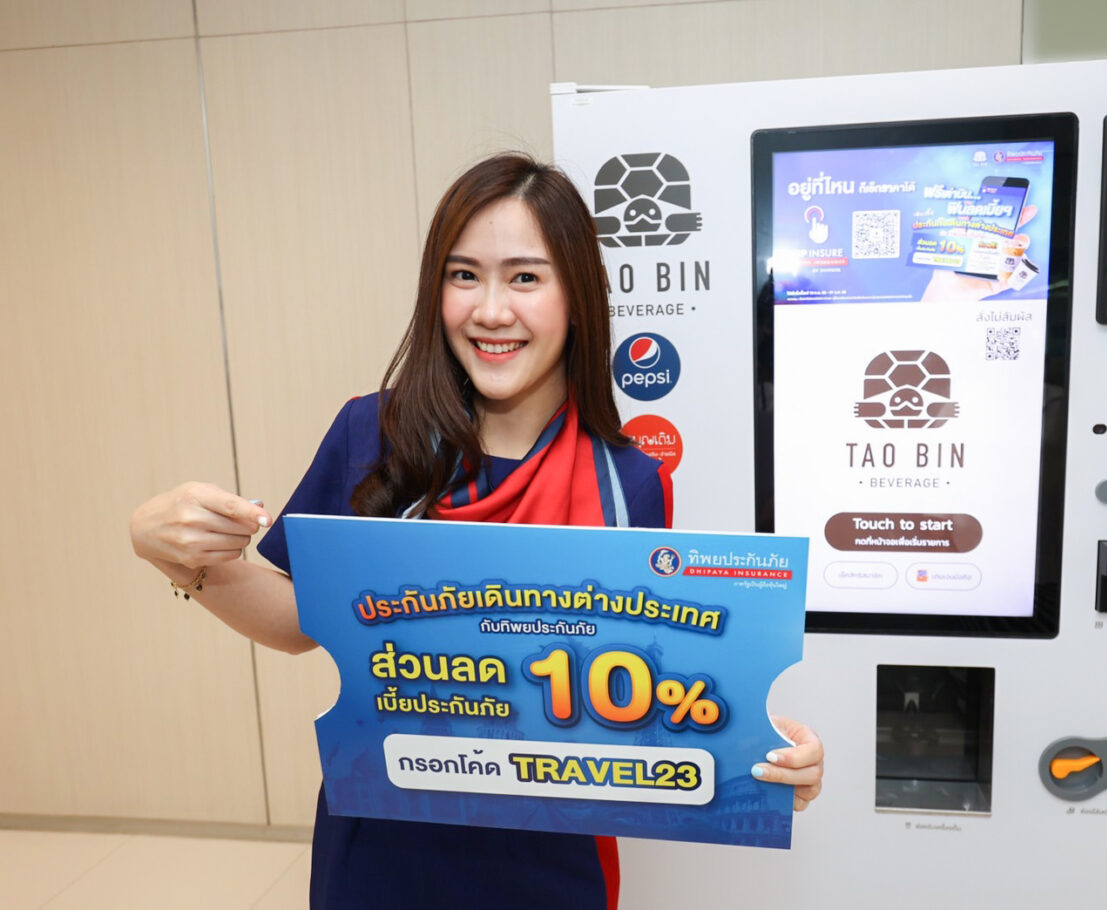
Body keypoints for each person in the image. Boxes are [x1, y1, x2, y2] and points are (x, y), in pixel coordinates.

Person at [130, 153, 823, 908]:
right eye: (464, 275)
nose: (491, 311)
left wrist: (761, 755)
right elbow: (301, 621)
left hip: (553, 865)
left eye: (525, 277)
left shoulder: (630, 483)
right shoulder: (375, 434)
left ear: (577, 296)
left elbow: (647, 695)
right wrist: (180, 559)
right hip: (383, 847)